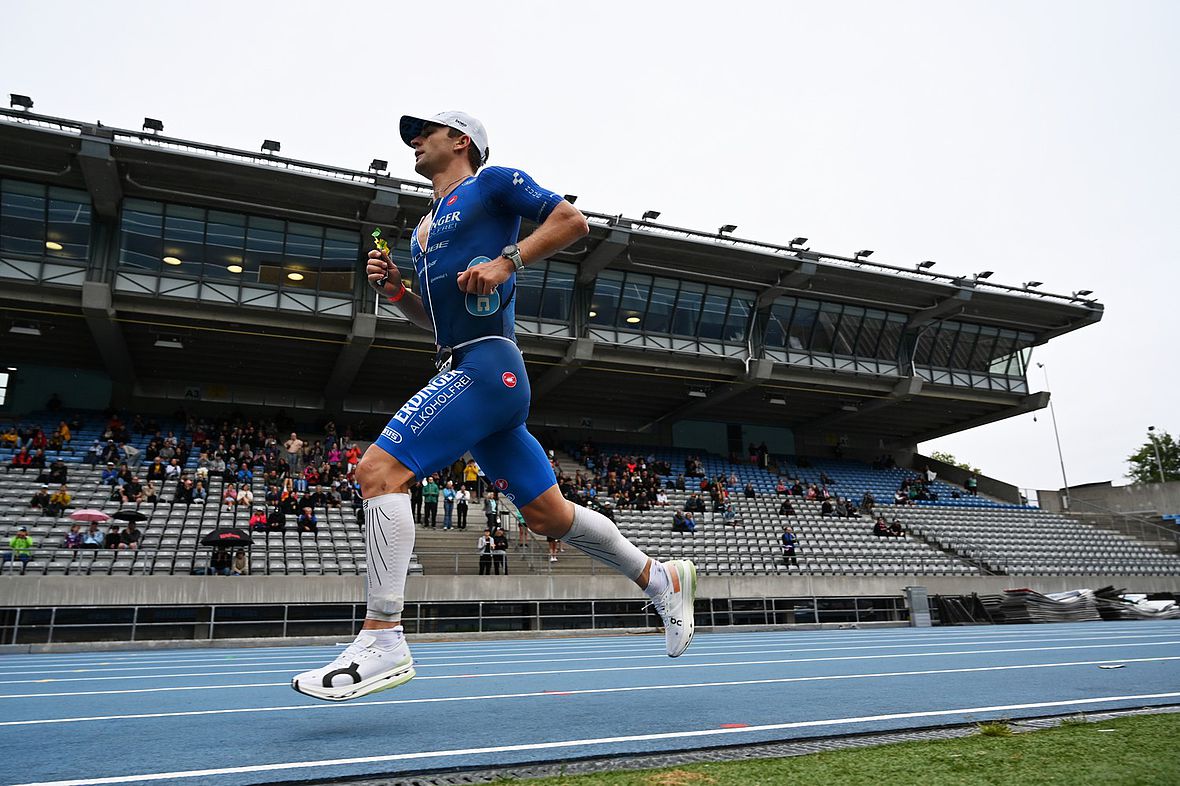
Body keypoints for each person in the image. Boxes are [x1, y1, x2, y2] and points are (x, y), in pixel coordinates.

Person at [293, 112, 695, 702]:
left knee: (377, 472)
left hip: (488, 367)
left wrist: (509, 260)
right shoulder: (423, 230)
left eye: (424, 132)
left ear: (461, 141)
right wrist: (397, 293)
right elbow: (438, 322)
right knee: (550, 518)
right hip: (465, 364)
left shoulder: (493, 182)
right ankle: (658, 576)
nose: (413, 142)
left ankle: (382, 637)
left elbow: (572, 221)